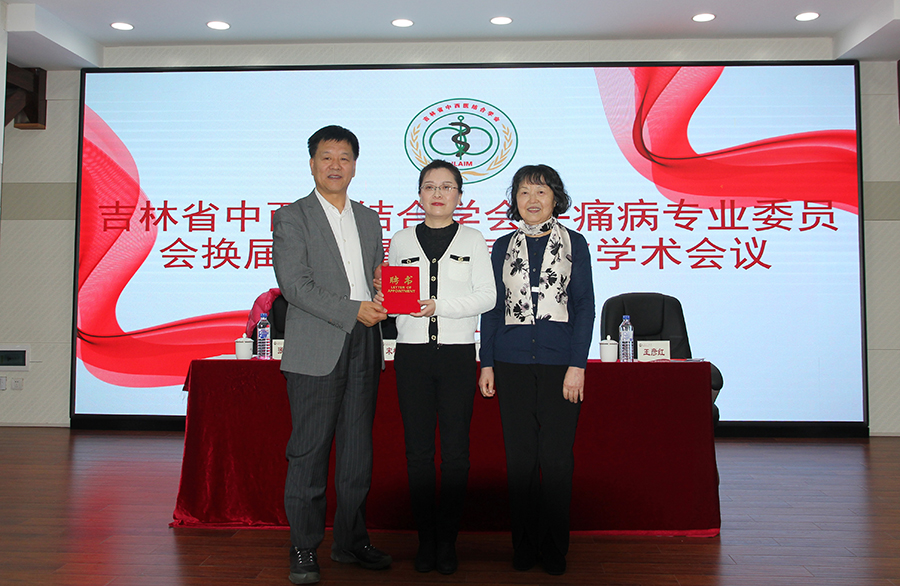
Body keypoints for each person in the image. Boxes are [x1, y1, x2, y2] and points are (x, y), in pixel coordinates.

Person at [272, 125, 391, 585]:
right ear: (312, 164)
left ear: (355, 165)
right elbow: (294, 285)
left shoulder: (369, 219)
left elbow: (374, 275)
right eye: (326, 157)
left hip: (366, 342)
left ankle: (350, 540)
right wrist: (352, 309)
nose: (335, 165)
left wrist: (383, 288)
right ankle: (303, 547)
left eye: (344, 157)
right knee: (309, 453)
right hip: (317, 347)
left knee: (357, 452)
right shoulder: (292, 218)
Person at [477, 164, 595, 576]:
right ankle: (524, 545)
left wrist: (577, 365)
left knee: (557, 461)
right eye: (524, 191)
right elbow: (492, 309)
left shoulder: (575, 243)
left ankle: (554, 547)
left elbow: (584, 307)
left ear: (555, 199)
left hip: (560, 364)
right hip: (510, 363)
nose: (532, 199)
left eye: (541, 192)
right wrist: (487, 362)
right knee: (520, 461)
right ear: (515, 199)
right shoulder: (501, 246)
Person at [385, 160, 496, 574]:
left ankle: (447, 540)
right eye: (429, 186)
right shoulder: (401, 240)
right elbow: (395, 302)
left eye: (447, 186)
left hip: (456, 356)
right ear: (418, 195)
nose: (438, 193)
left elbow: (487, 296)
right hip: (412, 355)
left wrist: (440, 306)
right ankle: (425, 539)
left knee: (455, 455)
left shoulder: (473, 238)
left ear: (459, 196)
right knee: (417, 454)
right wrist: (385, 296)